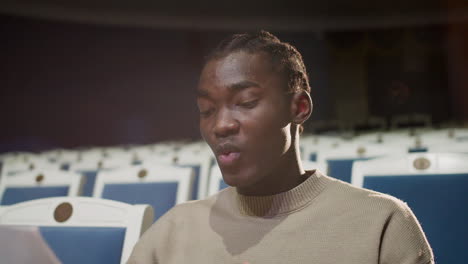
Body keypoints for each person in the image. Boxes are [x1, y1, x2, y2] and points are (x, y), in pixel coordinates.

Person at [127, 31, 434, 264]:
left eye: (246, 103)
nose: (220, 125)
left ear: (298, 107)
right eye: (206, 109)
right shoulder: (172, 232)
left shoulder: (381, 223)